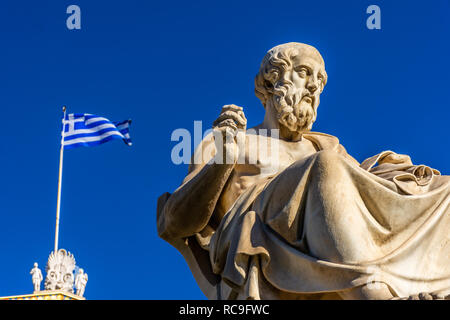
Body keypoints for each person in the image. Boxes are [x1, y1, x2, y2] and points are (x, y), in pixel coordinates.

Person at [157, 42, 450, 300]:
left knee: (442, 187)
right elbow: (174, 223)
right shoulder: (231, 139)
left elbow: (360, 189)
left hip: (320, 241)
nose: (314, 86)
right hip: (258, 242)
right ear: (272, 82)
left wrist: (393, 172)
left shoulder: (325, 145)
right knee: (326, 165)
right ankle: (372, 292)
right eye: (304, 73)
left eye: (320, 81)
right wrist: (223, 161)